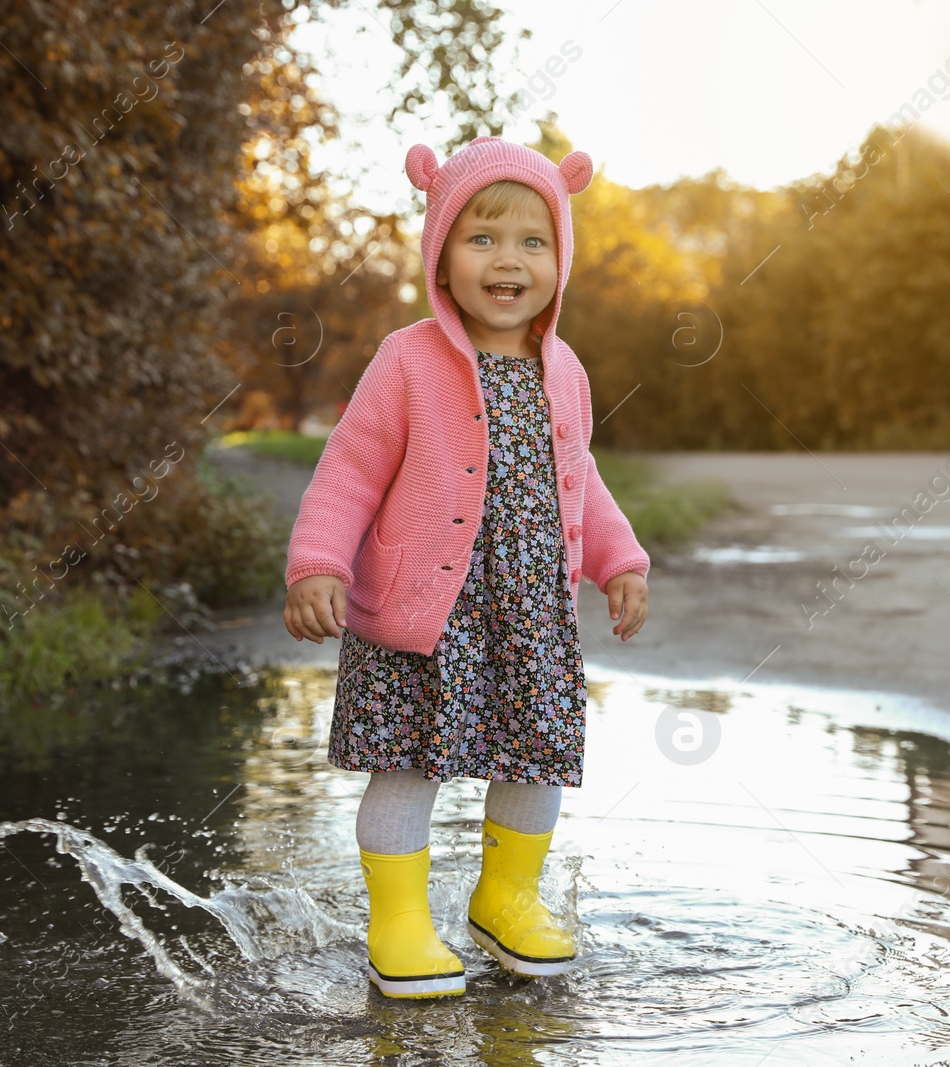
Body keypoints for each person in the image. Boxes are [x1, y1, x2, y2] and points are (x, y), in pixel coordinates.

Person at [282, 136, 650, 999]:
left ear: (560, 257)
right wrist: (316, 562)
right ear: (440, 253)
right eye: (481, 238)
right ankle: (402, 919)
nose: (507, 261)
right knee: (407, 759)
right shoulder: (406, 360)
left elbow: (581, 475)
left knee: (537, 758)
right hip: (425, 608)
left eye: (532, 241)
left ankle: (506, 895)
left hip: (531, 612)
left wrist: (619, 558)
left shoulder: (565, 369)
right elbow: (349, 469)